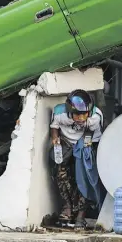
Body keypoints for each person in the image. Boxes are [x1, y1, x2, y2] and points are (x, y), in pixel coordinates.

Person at [50, 89, 103, 228]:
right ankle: (67, 208)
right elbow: (54, 127)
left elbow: (94, 136)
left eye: (83, 114)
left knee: (85, 177)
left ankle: (81, 214)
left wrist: (85, 151)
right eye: (76, 115)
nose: (80, 118)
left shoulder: (95, 118)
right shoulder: (60, 114)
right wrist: (55, 138)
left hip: (86, 144)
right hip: (66, 143)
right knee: (60, 173)